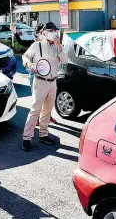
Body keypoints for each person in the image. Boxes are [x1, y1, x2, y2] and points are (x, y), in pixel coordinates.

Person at [21, 22, 67, 151]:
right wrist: (30, 65)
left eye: (55, 30)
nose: (54, 33)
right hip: (40, 81)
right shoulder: (37, 45)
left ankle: (43, 134)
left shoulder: (59, 47)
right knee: (35, 110)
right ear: (45, 33)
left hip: (53, 82)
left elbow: (65, 61)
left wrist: (59, 46)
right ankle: (26, 138)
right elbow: (25, 57)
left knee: (47, 110)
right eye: (51, 31)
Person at [11, 23, 57, 124]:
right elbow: (21, 43)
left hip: (49, 76)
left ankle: (47, 116)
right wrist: (15, 33)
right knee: (37, 98)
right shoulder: (34, 44)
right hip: (35, 74)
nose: (44, 34)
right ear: (37, 34)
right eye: (41, 32)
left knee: (48, 99)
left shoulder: (51, 44)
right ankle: (35, 119)